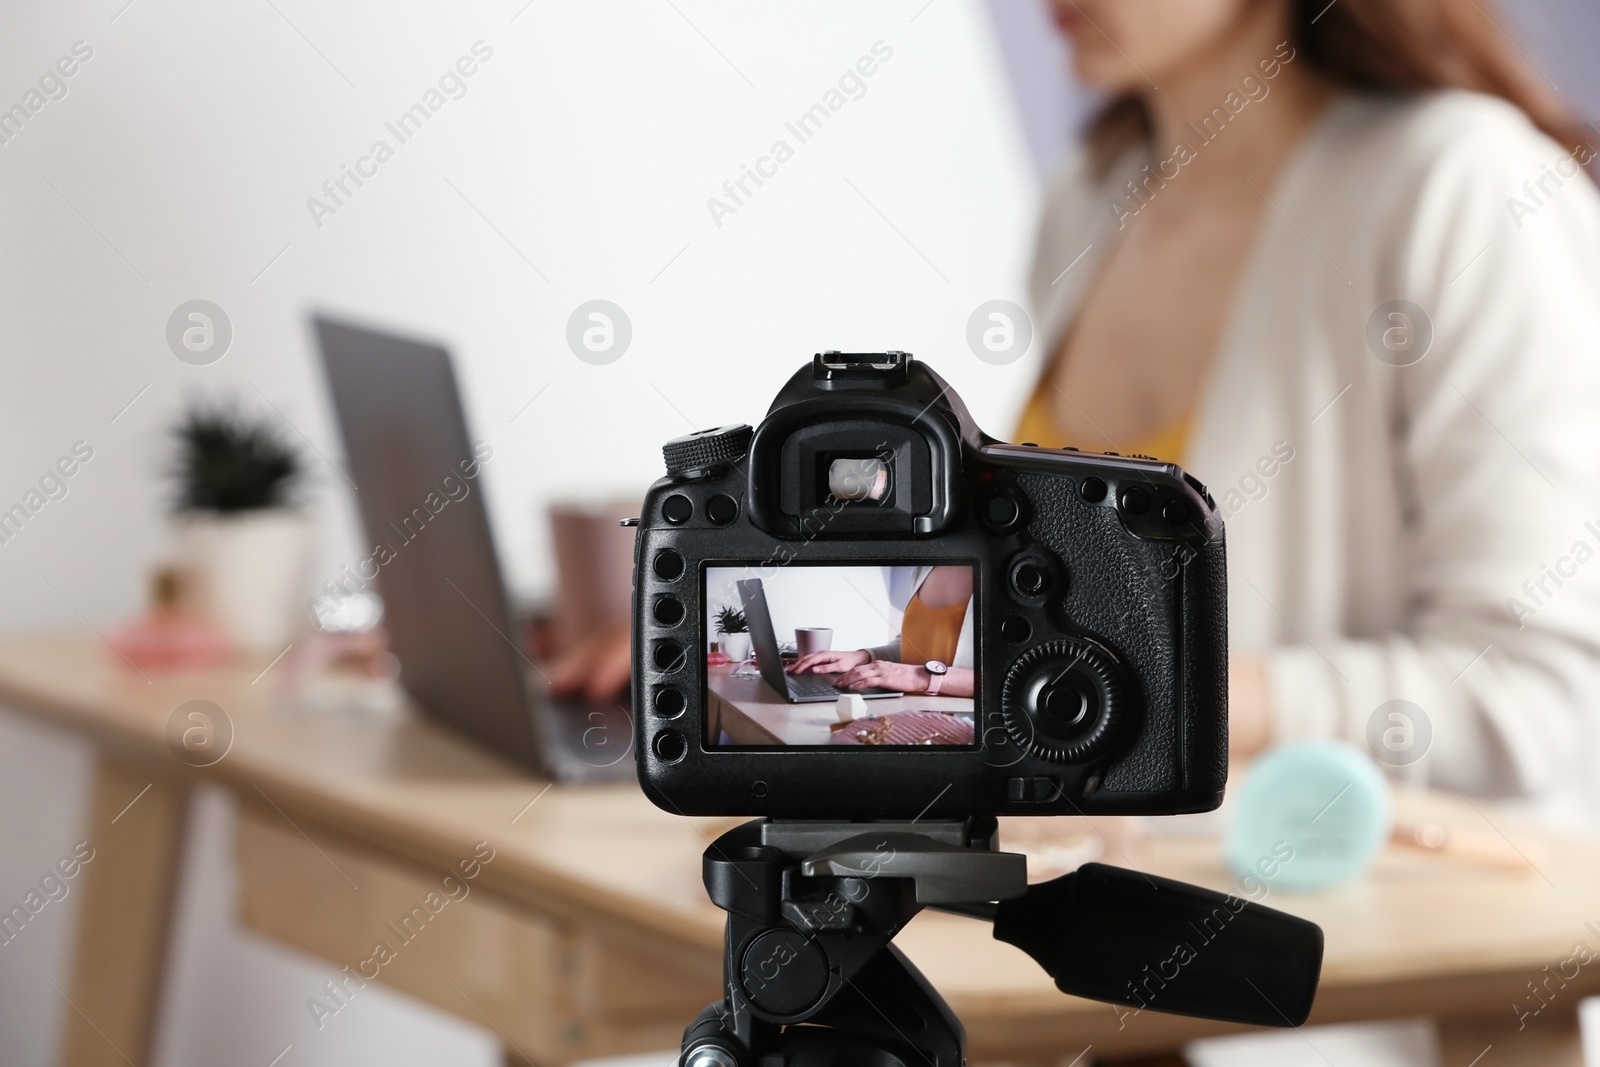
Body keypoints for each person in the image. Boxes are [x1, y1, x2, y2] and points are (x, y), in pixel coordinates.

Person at [1027, 0, 1600, 815]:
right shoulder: (1086, 201)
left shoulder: (1465, 183)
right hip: (1112, 924)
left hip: (1408, 933)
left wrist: (1175, 699)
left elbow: (1543, 694)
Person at [787, 565, 977, 696]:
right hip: (903, 708)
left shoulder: (998, 571)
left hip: (958, 724)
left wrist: (920, 677)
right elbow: (911, 644)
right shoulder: (923, 568)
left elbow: (1003, 684)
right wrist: (863, 656)